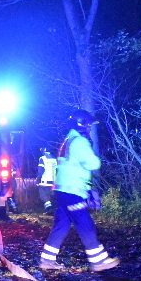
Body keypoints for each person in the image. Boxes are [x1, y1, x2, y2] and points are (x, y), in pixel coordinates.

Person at [38, 109, 119, 272]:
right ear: (81, 124)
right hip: (72, 191)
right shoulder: (80, 142)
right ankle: (99, 261)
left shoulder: (68, 139)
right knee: (84, 223)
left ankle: (47, 259)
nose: (90, 128)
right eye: (88, 125)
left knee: (62, 224)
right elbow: (93, 164)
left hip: (63, 191)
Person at [36, 147, 57, 214]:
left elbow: (41, 170)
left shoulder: (42, 158)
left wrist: (38, 179)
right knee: (52, 198)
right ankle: (52, 210)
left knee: (43, 196)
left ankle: (49, 209)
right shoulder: (55, 159)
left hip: (44, 182)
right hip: (53, 182)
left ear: (44, 149)